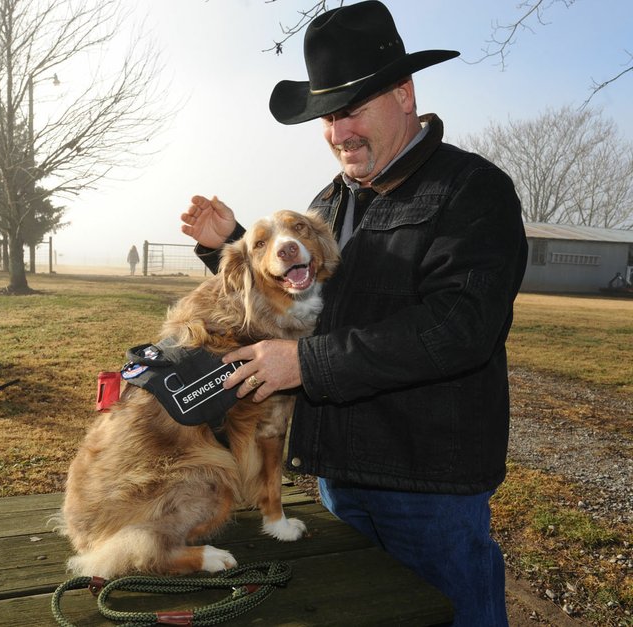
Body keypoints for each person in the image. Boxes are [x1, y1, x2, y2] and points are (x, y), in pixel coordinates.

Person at [180, 2, 528, 625]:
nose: (338, 133)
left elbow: (459, 328)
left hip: (428, 485)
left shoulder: (472, 191)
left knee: (452, 615)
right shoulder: (328, 201)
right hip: (339, 475)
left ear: (403, 92)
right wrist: (228, 245)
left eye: (351, 111)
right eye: (327, 117)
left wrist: (305, 364)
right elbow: (296, 301)